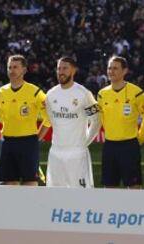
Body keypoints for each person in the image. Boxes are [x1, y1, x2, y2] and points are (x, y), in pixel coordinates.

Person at [97, 56, 144, 189]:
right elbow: (99, 117)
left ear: (124, 71)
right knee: (109, 187)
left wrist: (139, 138)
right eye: (109, 68)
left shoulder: (136, 92)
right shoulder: (101, 94)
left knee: (134, 188)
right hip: (109, 145)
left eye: (115, 68)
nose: (111, 71)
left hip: (129, 145)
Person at [0, 54, 50, 186]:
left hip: (28, 142)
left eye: (15, 67)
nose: (12, 70)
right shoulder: (0, 92)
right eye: (9, 67)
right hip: (7, 142)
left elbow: (49, 117)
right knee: (9, 183)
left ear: (24, 70)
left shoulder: (35, 92)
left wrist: (37, 138)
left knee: (30, 182)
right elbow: (1, 117)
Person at [45, 57, 100, 188]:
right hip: (55, 153)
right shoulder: (50, 94)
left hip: (77, 154)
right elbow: (52, 119)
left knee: (81, 197)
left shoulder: (85, 93)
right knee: (54, 196)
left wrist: (85, 142)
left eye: (65, 68)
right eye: (59, 68)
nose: (61, 72)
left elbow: (96, 120)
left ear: (73, 71)